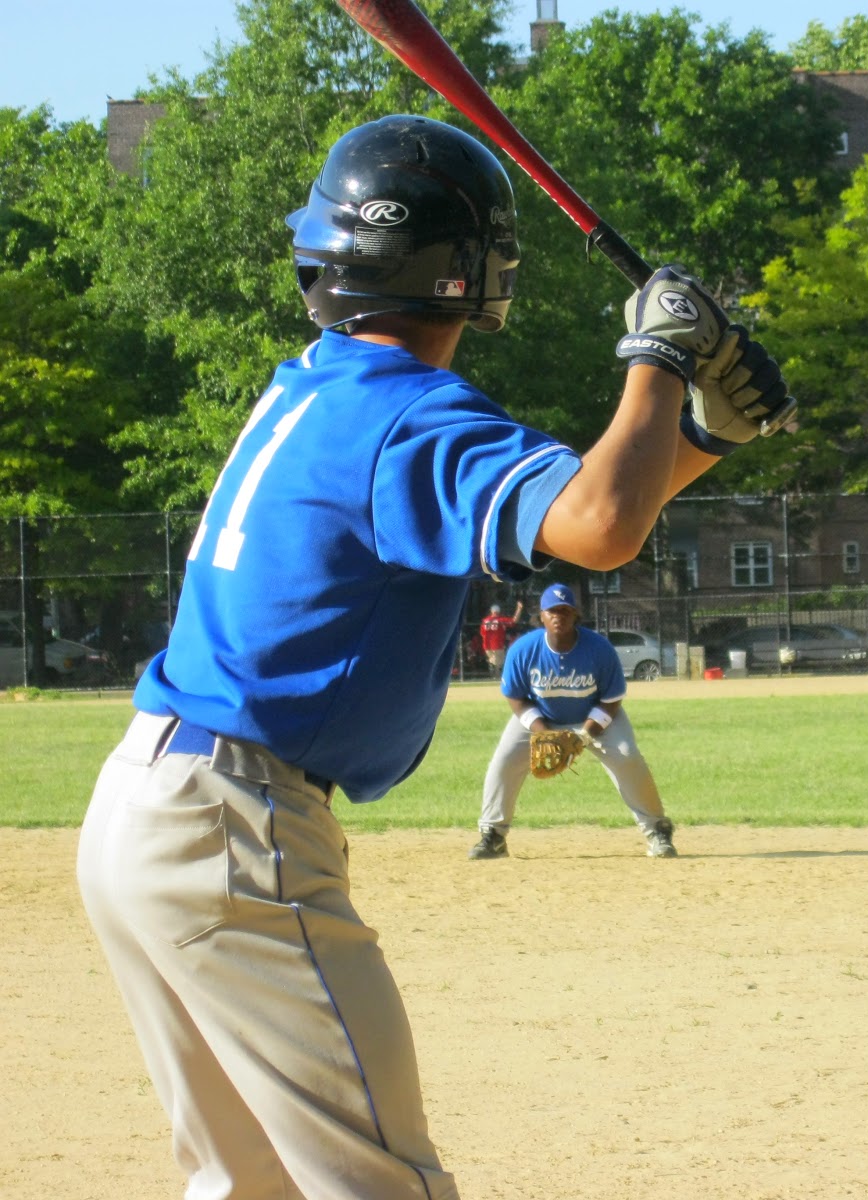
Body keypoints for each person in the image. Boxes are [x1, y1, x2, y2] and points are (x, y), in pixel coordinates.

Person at [75, 114, 790, 1199]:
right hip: (233, 830)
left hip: (150, 813)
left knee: (249, 1184)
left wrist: (698, 440)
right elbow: (599, 525)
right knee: (381, 1183)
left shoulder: (321, 386)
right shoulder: (413, 417)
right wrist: (655, 357)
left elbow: (576, 516)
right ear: (475, 276)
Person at [469, 582, 675, 861]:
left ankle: (657, 831)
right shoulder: (524, 650)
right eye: (552, 610)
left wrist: (585, 736)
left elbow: (612, 699)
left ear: (575, 615)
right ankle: (492, 835)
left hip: (595, 718)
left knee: (627, 756)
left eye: (565, 610)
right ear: (541, 616)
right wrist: (544, 734)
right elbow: (516, 697)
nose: (559, 616)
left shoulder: (599, 649)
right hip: (541, 718)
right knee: (504, 760)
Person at [479, 600, 524, 672]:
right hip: (497, 645)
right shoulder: (500, 620)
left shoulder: (485, 620)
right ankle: (495, 677)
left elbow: (482, 633)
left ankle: (492, 672)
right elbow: (514, 621)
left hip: (486, 645)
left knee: (493, 662)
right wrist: (519, 609)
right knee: (499, 665)